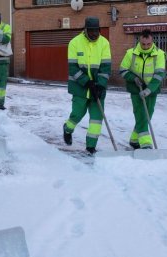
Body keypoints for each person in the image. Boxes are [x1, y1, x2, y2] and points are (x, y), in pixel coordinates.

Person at [63, 17, 111, 154]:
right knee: (77, 114)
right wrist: (87, 82)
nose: (95, 34)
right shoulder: (74, 43)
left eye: (97, 31)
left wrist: (101, 85)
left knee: (96, 119)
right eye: (91, 31)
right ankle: (67, 129)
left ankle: (91, 147)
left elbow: (106, 67)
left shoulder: (104, 43)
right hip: (80, 87)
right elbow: (72, 68)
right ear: (86, 30)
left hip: (98, 87)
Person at [119, 29, 166, 149]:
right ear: (139, 41)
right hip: (135, 89)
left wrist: (149, 89)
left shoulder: (159, 54)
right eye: (143, 44)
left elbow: (159, 74)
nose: (145, 47)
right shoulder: (131, 53)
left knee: (148, 115)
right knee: (140, 114)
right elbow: (123, 70)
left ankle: (134, 139)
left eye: (148, 44)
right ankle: (145, 143)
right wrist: (133, 78)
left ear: (152, 41)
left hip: (152, 90)